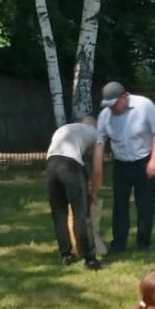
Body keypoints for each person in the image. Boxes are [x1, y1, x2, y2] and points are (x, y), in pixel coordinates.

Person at [92, 81, 155, 253]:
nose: (111, 109)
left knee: (145, 204)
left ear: (124, 97)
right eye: (108, 105)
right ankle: (118, 243)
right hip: (120, 164)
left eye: (114, 104)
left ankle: (143, 241)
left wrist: (154, 161)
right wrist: (98, 172)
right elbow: (100, 143)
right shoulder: (105, 115)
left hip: (144, 162)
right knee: (120, 205)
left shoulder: (144, 105)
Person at [45, 115, 103, 269]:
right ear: (93, 126)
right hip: (70, 166)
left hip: (51, 165)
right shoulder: (97, 134)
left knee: (59, 213)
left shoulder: (65, 129)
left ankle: (66, 254)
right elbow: (98, 170)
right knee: (81, 214)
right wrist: (94, 193)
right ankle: (90, 259)